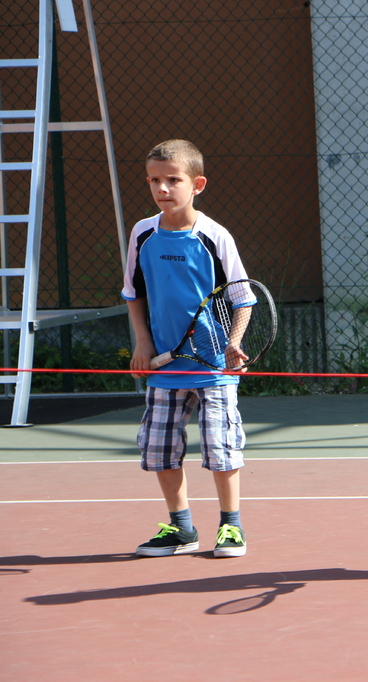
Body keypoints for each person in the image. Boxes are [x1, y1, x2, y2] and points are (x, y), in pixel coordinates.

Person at [121, 139, 250, 558]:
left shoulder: (214, 236)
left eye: (173, 180)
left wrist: (234, 342)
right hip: (164, 367)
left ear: (197, 184)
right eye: (153, 180)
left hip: (213, 366)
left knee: (220, 448)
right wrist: (142, 341)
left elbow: (243, 298)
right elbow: (133, 293)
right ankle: (181, 529)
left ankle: (230, 527)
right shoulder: (142, 233)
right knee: (159, 450)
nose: (162, 188)